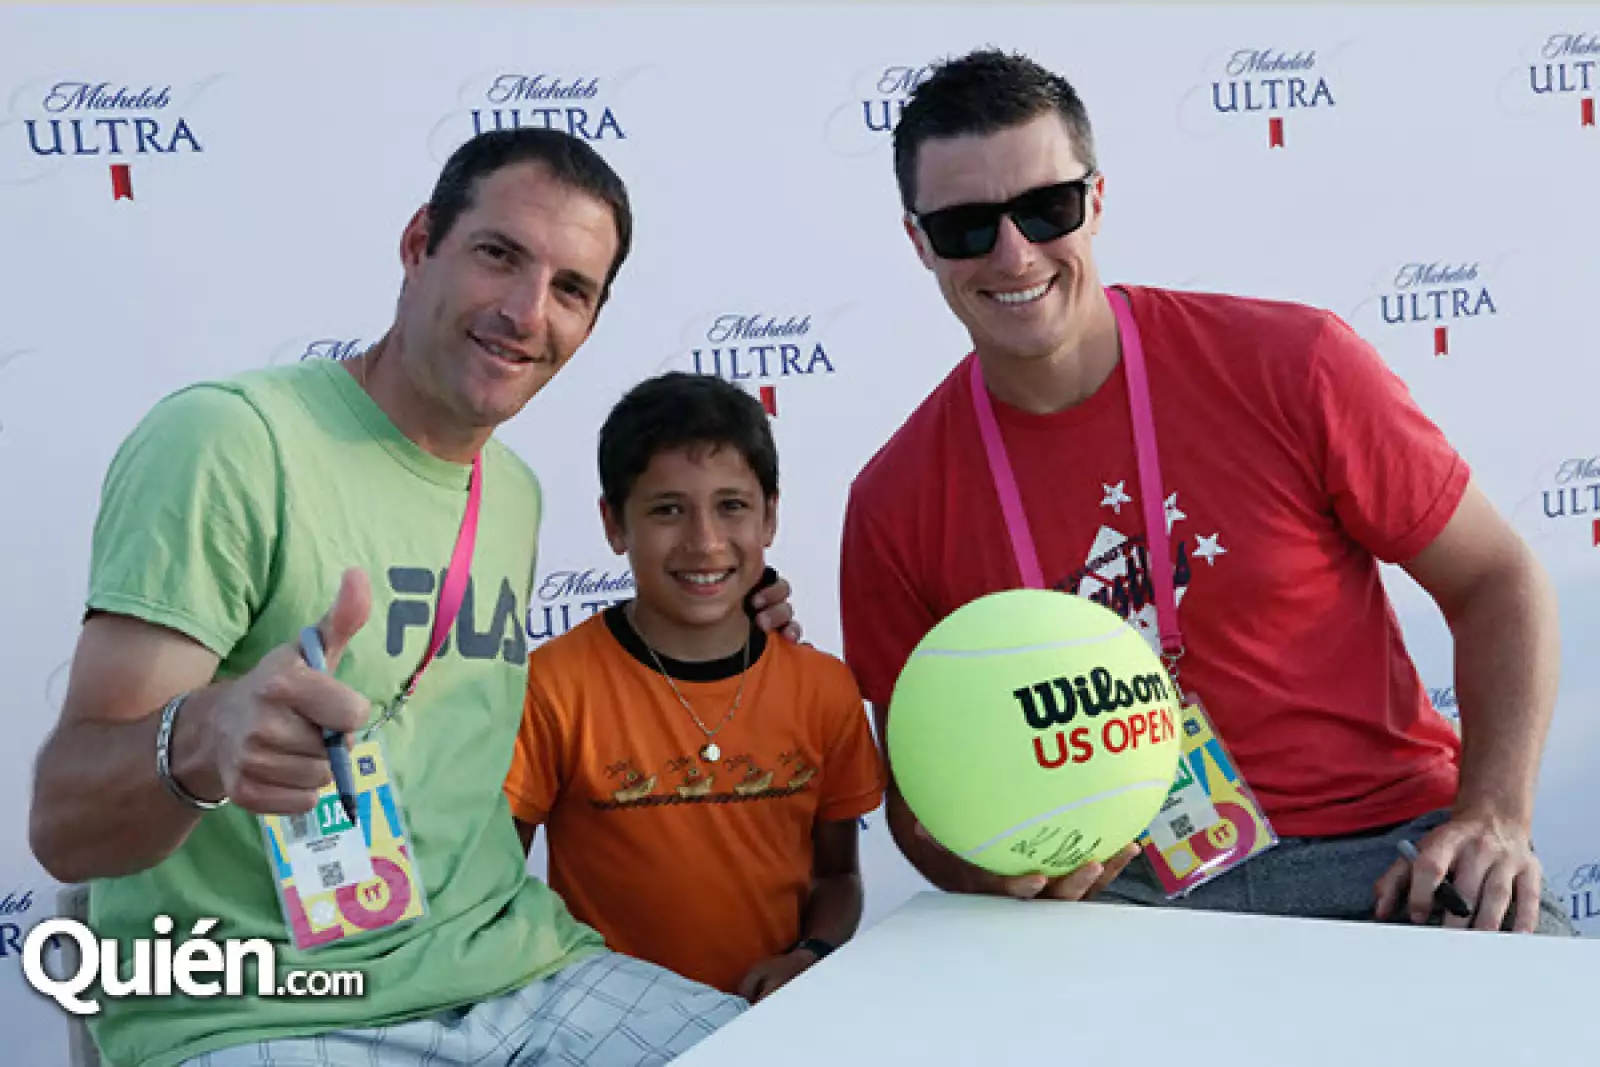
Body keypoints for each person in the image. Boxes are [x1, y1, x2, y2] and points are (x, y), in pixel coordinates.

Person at [27, 128, 800, 1067]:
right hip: (263, 1008)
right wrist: (208, 734)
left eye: (570, 289)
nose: (526, 311)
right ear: (417, 243)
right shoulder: (227, 440)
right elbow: (65, 826)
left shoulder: (512, 491)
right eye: (498, 254)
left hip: (517, 977)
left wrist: (734, 612)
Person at [838, 48, 1572, 935]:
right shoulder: (893, 499)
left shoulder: (1292, 364)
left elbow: (1497, 580)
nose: (1013, 251)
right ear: (918, 241)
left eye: (1046, 208)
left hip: (1388, 854)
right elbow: (918, 800)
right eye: (965, 225)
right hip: (1118, 900)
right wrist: (1004, 875)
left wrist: (1494, 814)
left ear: (1096, 202)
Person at [505, 371, 885, 1004]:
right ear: (614, 524)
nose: (704, 542)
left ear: (770, 515)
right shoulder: (554, 687)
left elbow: (838, 876)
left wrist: (808, 955)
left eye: (731, 505)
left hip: (770, 1029)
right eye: (667, 510)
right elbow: (498, 886)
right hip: (603, 1034)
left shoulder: (823, 689)